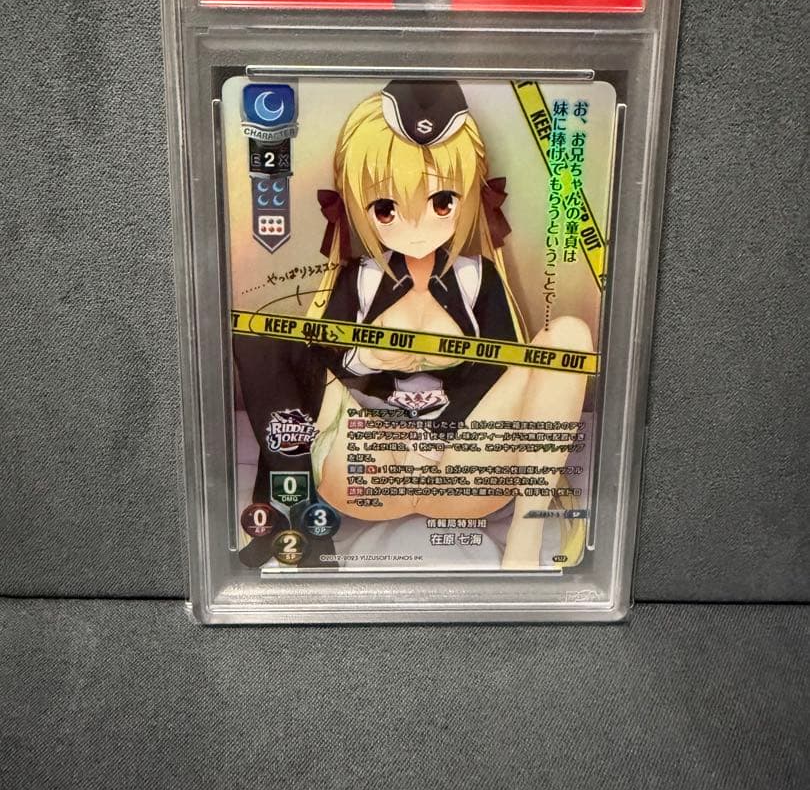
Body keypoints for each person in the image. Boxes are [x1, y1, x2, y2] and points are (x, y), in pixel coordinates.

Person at [234, 80, 592, 569]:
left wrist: (444, 418)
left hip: (463, 469)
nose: (417, 226)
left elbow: (503, 374)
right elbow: (315, 374)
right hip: (370, 468)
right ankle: (296, 515)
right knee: (261, 336)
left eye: (442, 203)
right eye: (386, 208)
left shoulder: (475, 277)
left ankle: (525, 541)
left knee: (570, 336)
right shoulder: (359, 278)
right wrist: (366, 358)